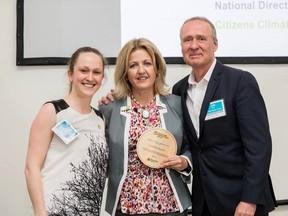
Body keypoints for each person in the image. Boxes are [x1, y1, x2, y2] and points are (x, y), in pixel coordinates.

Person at [172, 16, 277, 216]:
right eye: (187, 40)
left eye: (201, 39)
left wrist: (249, 200)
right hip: (203, 202)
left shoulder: (240, 82)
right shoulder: (179, 90)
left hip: (241, 201)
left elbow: (259, 147)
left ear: (215, 44)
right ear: (181, 47)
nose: (194, 45)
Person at [99, 38, 192, 216]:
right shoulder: (109, 108)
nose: (141, 70)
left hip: (170, 204)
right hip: (127, 205)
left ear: (157, 68)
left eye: (147, 63)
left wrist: (184, 162)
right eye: (133, 65)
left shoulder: (177, 104)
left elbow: (193, 147)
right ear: (125, 72)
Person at [24, 47, 109, 216]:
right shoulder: (52, 111)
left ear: (102, 78)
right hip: (55, 210)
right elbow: (31, 167)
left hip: (88, 210)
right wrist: (40, 213)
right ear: (70, 74)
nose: (90, 77)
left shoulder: (100, 118)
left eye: (97, 72)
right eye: (83, 71)